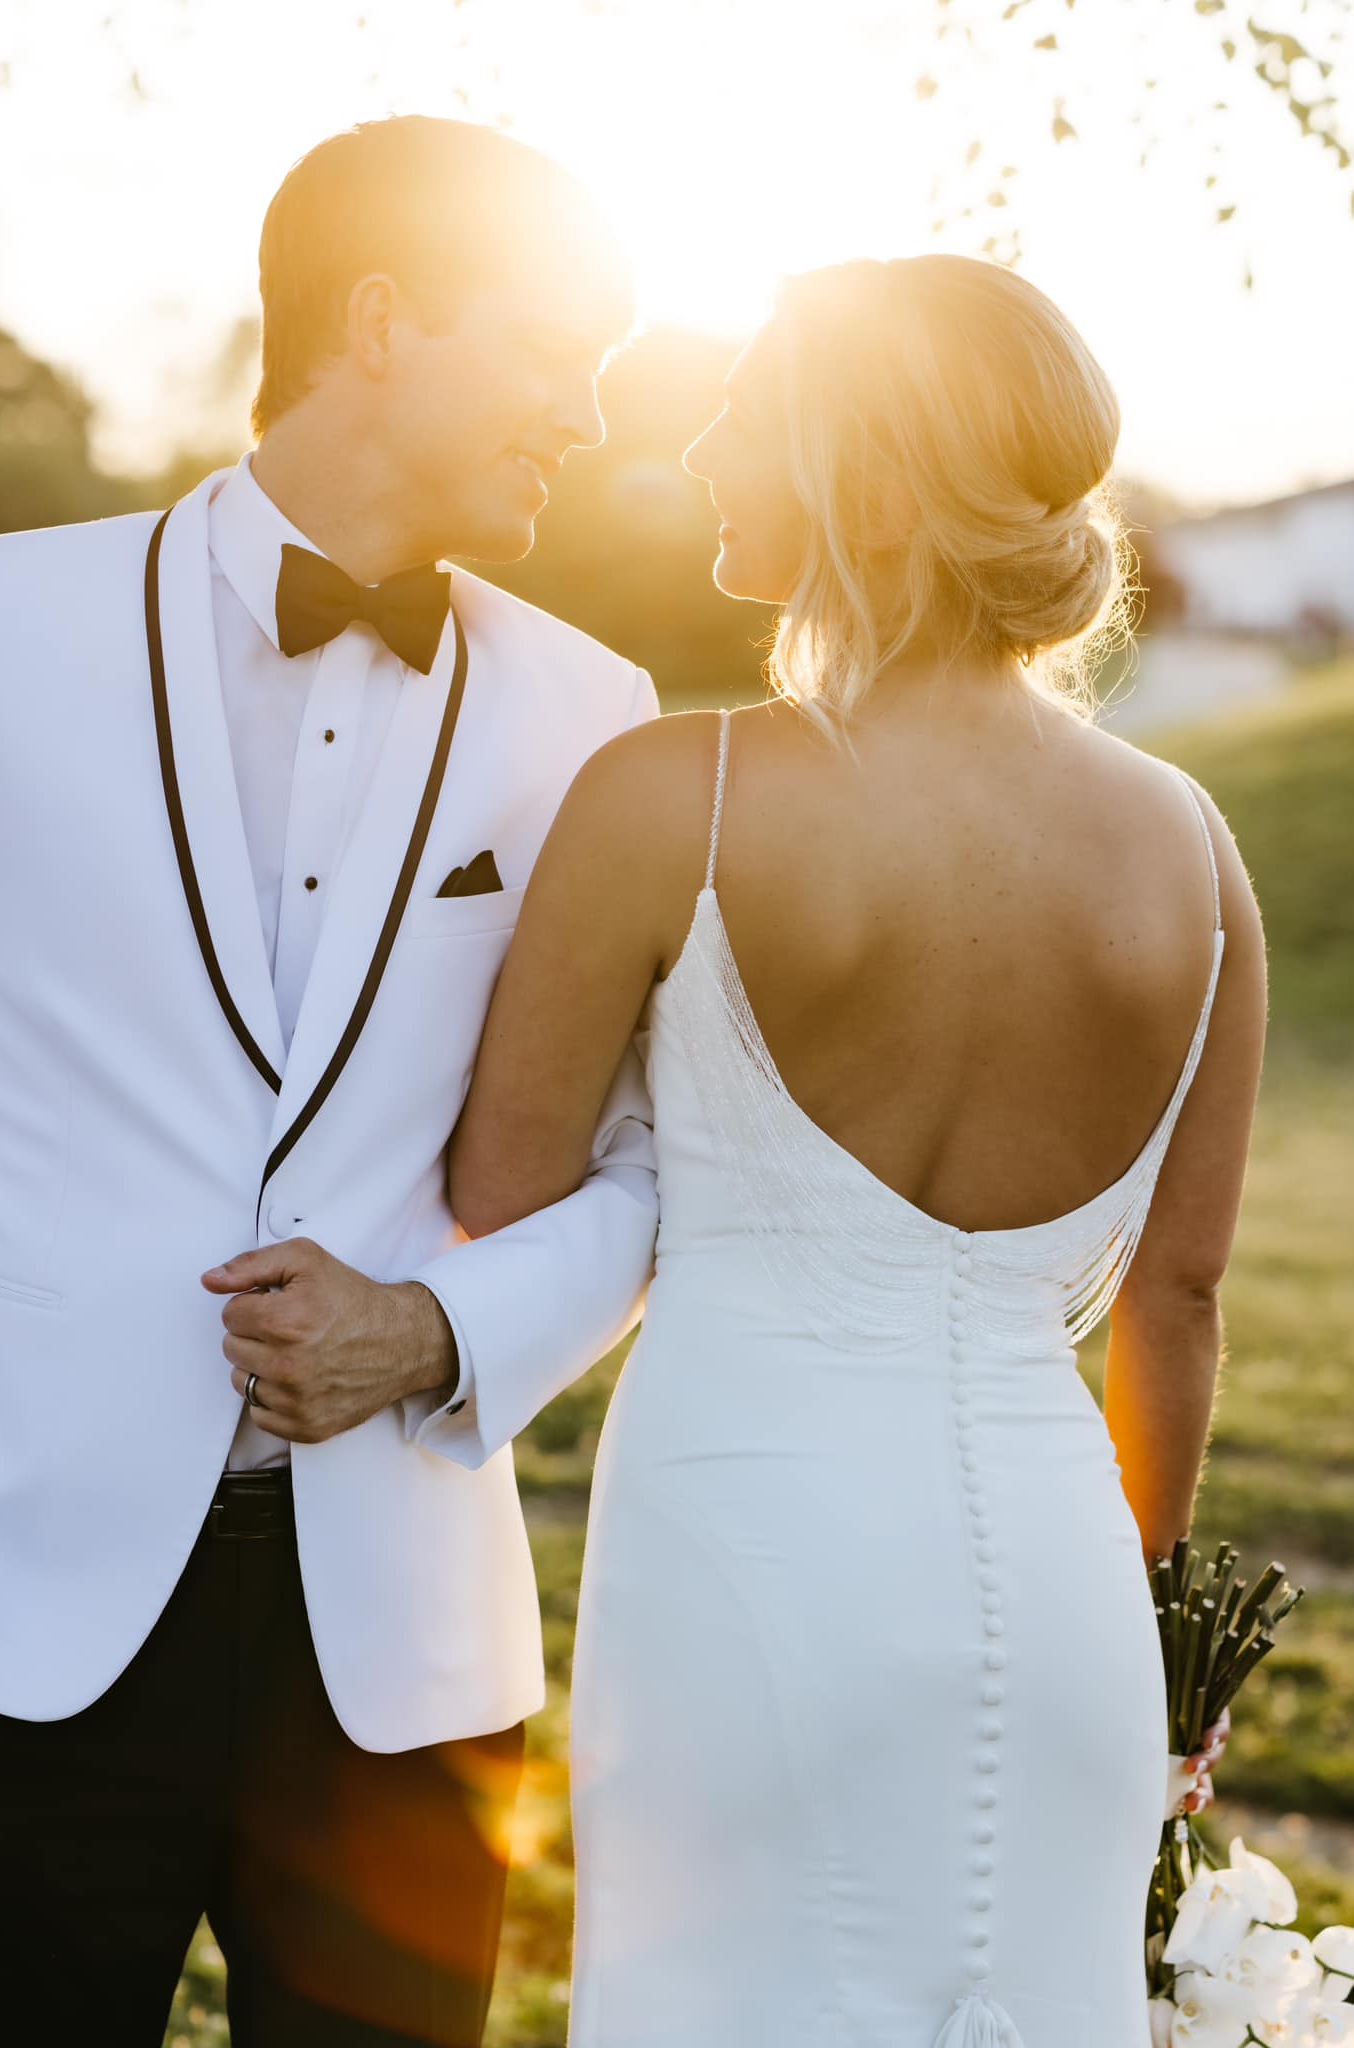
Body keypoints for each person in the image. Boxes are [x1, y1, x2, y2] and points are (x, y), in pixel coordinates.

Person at [0, 117, 661, 2048]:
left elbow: (648, 1170)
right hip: (2, 1601)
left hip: (398, 1650)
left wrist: (431, 1328)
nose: (586, 415)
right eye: (558, 346)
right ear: (383, 320)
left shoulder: (600, 718)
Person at [448, 255, 1267, 2046]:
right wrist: (1140, 1626)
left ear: (872, 489)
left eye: (752, 413)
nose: (710, 445)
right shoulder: (1190, 849)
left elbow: (495, 1197)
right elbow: (1179, 1300)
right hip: (1060, 1585)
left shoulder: (680, 795)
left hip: (744, 1557)